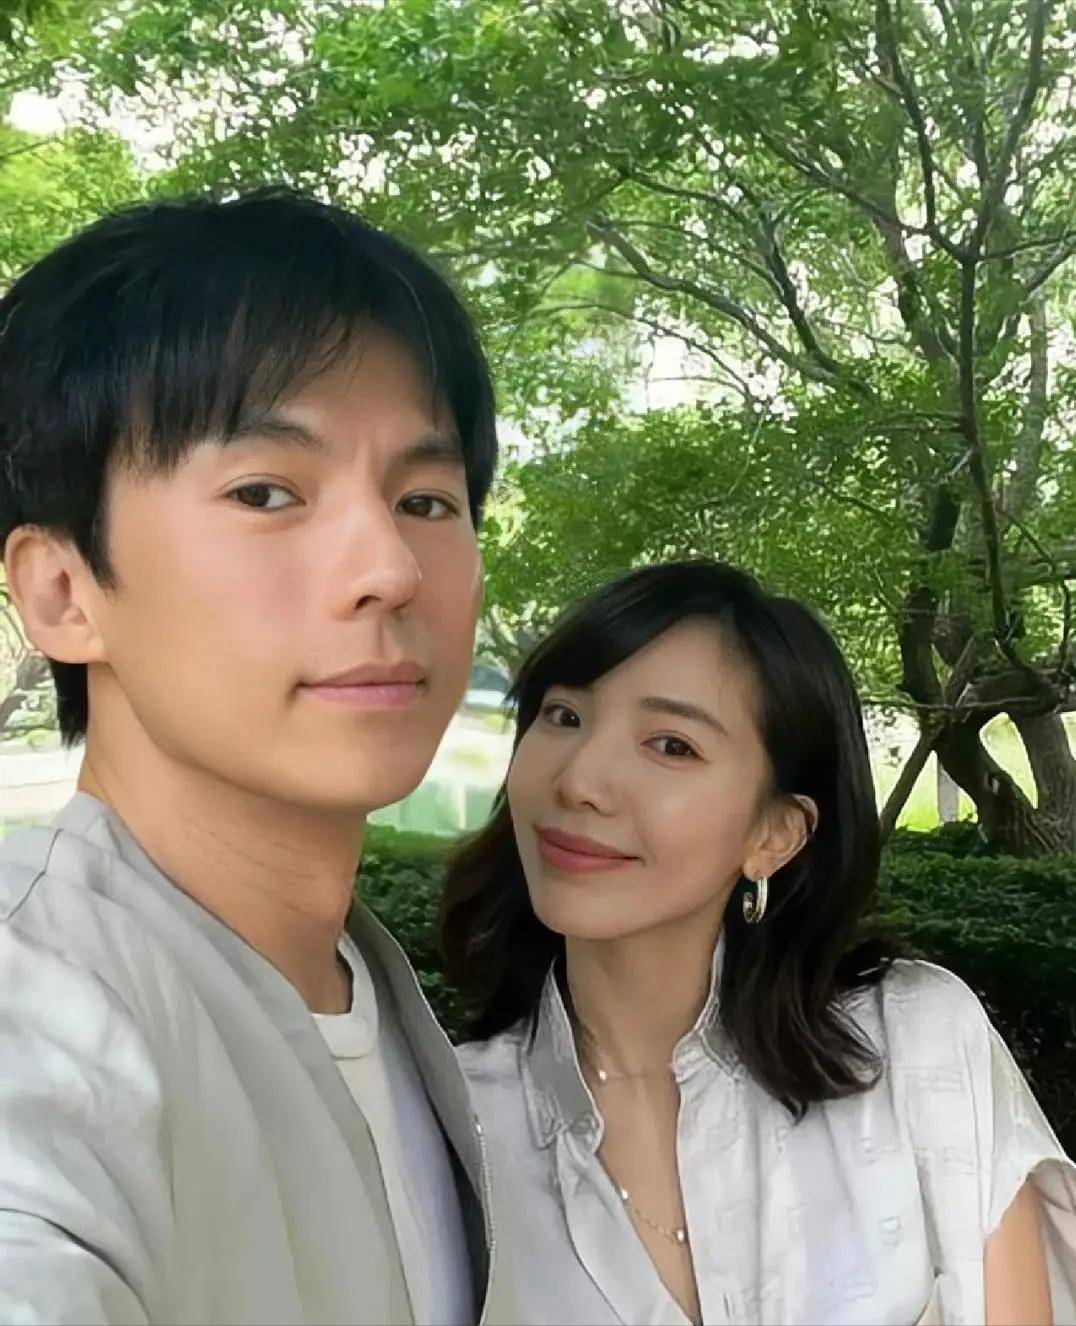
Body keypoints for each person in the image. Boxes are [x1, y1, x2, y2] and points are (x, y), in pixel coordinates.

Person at [0, 189, 516, 1324]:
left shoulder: (365, 994)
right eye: (267, 492)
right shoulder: (38, 1013)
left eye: (426, 500)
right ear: (64, 592)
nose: (388, 569)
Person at [441, 560, 1076, 1326]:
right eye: (563, 716)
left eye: (670, 745)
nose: (579, 781)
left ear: (774, 834)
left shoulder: (916, 1046)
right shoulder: (450, 1128)